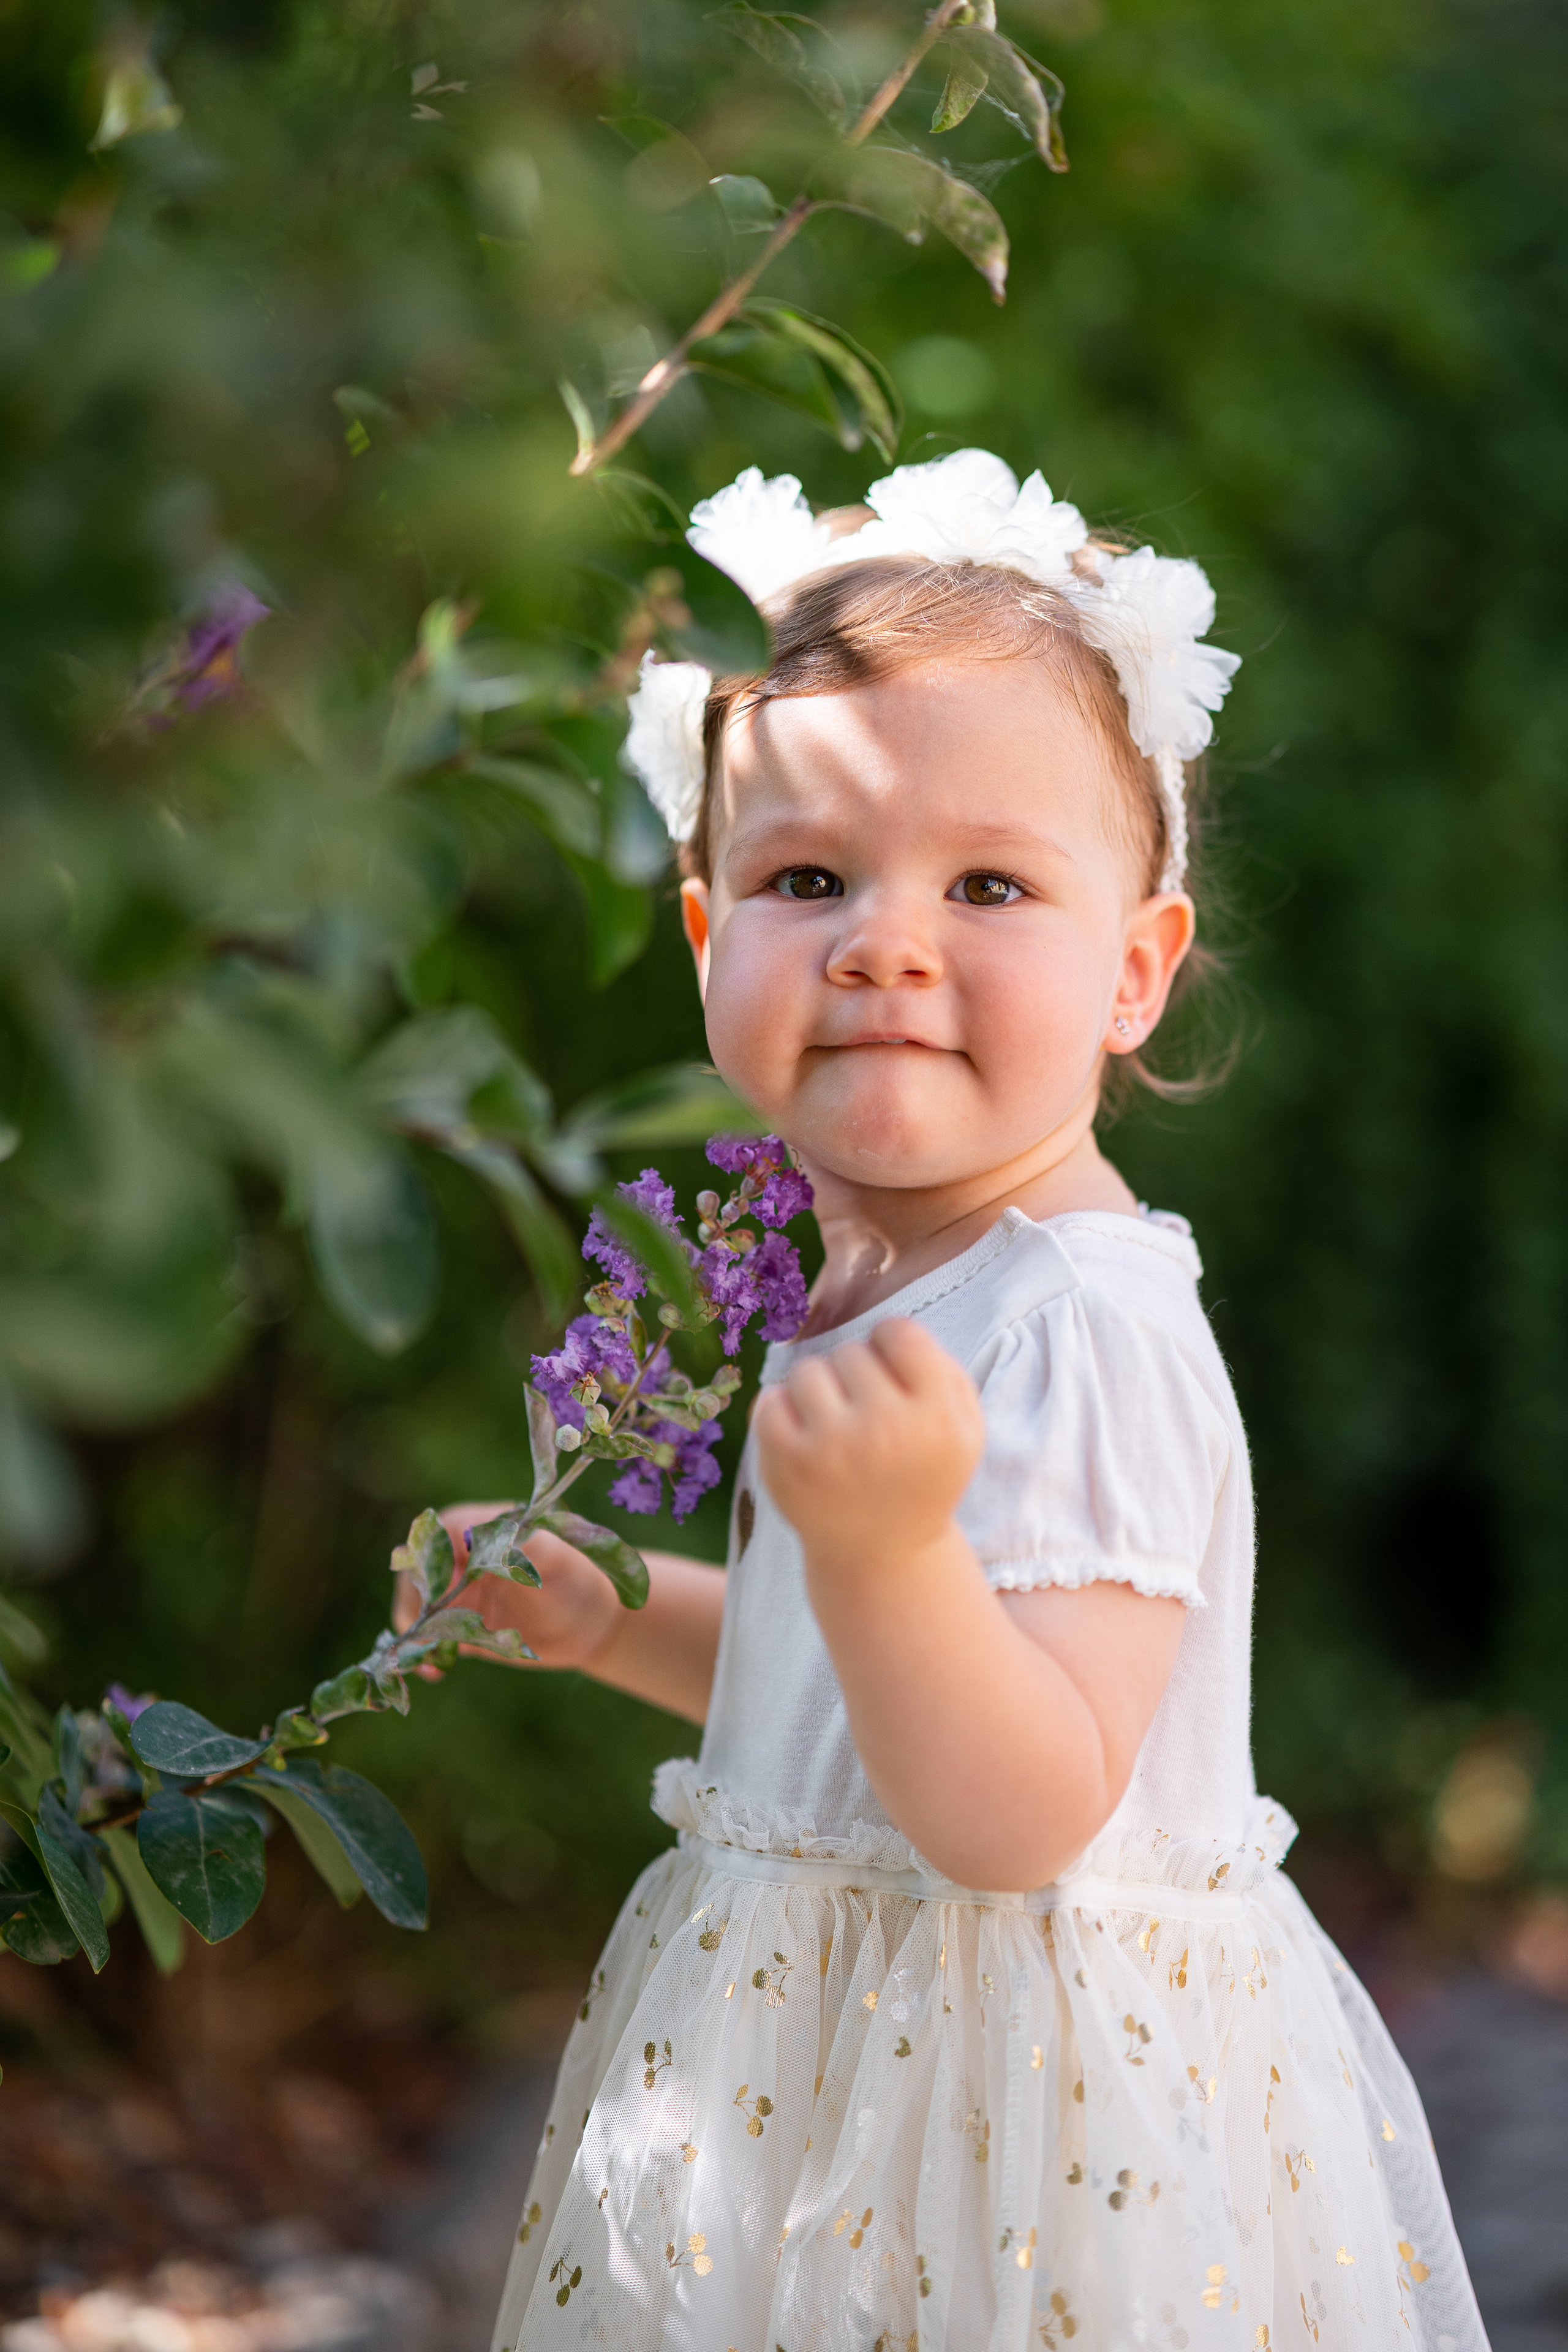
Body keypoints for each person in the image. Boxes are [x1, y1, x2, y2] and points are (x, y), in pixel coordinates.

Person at [440, 453, 1487, 2350]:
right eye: (806, 878)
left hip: (1018, 2139)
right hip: (815, 2067)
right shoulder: (853, 1283)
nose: (885, 941)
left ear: (1135, 971)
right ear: (707, 939)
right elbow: (829, 1688)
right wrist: (612, 1620)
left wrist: (889, 1547)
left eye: (990, 883)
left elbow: (1016, 1809)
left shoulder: (1082, 1322)